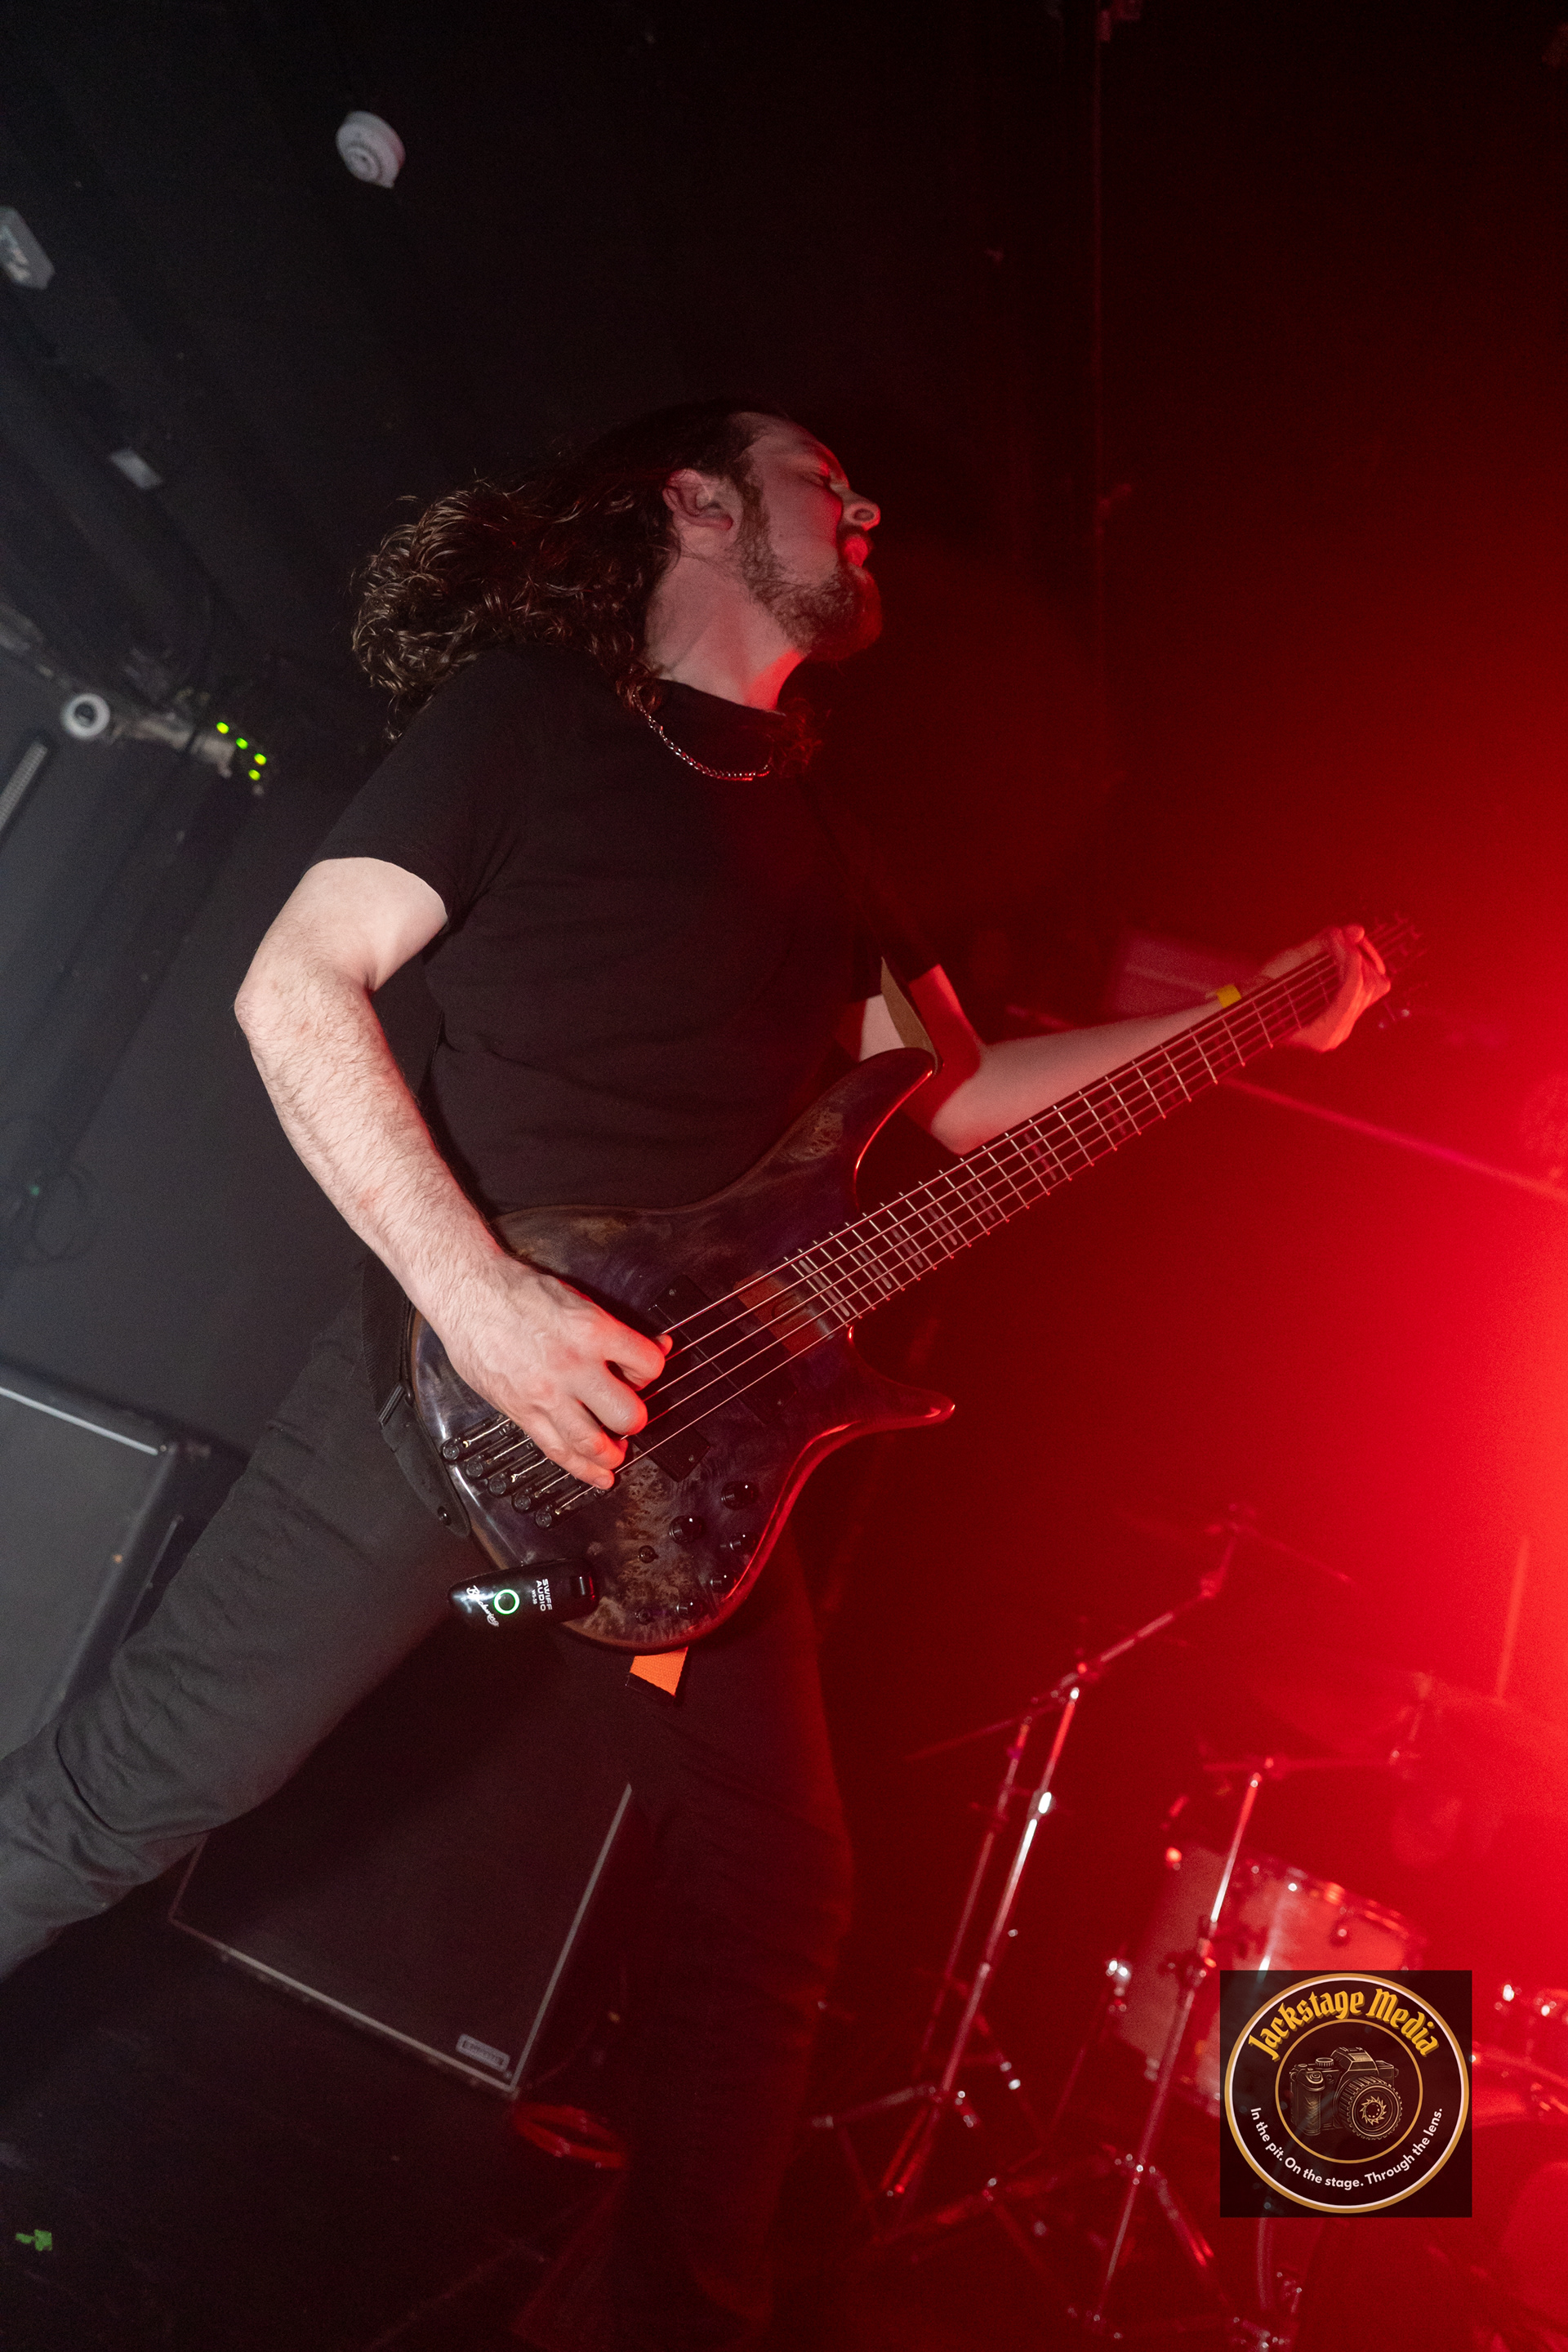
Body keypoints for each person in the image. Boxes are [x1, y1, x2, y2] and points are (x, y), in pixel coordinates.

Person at [0, 399, 1388, 2348]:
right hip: (450, 1399)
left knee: (776, 1888)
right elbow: (295, 984)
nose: (867, 503)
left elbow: (957, 1096)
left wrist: (1251, 1020)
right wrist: (479, 1294)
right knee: (141, 1788)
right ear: (696, 505)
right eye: (824, 478)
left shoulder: (824, 839)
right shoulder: (526, 722)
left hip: (686, 1467)